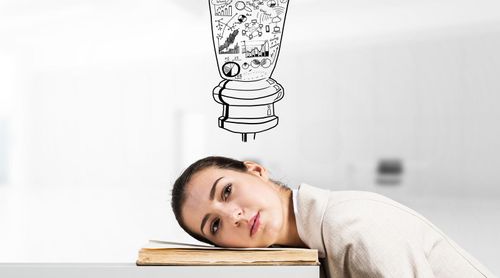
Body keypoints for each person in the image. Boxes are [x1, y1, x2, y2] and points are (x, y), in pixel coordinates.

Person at [171, 156, 495, 278]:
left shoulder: (352, 225)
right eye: (215, 225)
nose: (234, 216)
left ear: (256, 171)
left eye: (226, 191)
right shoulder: (311, 246)